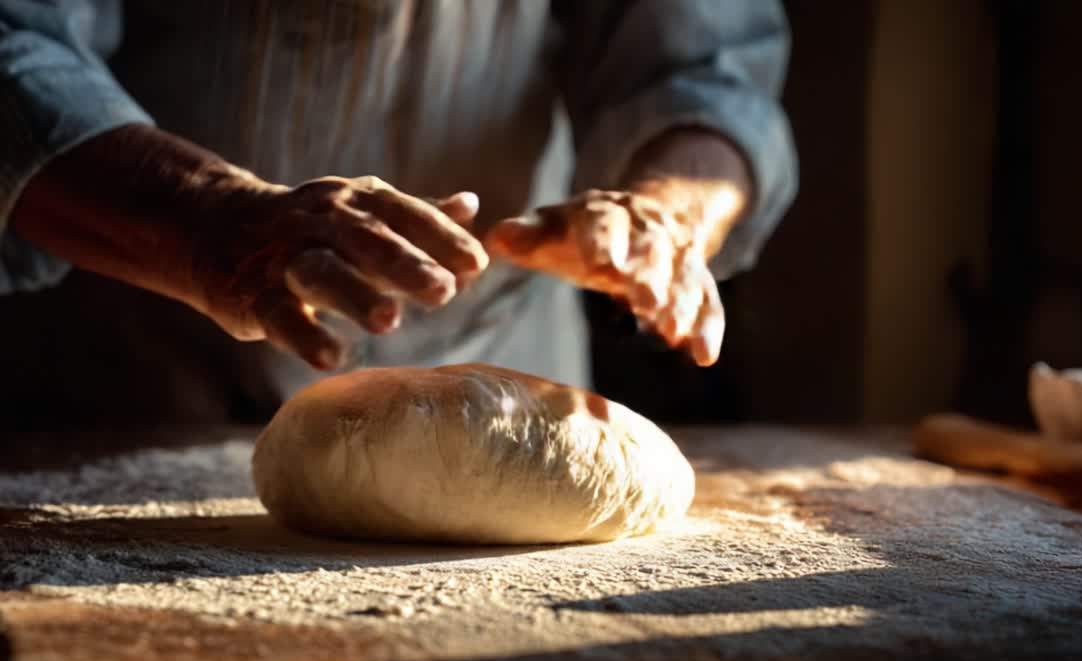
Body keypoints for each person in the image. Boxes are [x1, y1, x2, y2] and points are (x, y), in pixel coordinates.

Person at [0, 0, 796, 428]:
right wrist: (203, 215)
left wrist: (663, 216)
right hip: (127, 378)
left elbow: (703, 69)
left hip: (498, 384)